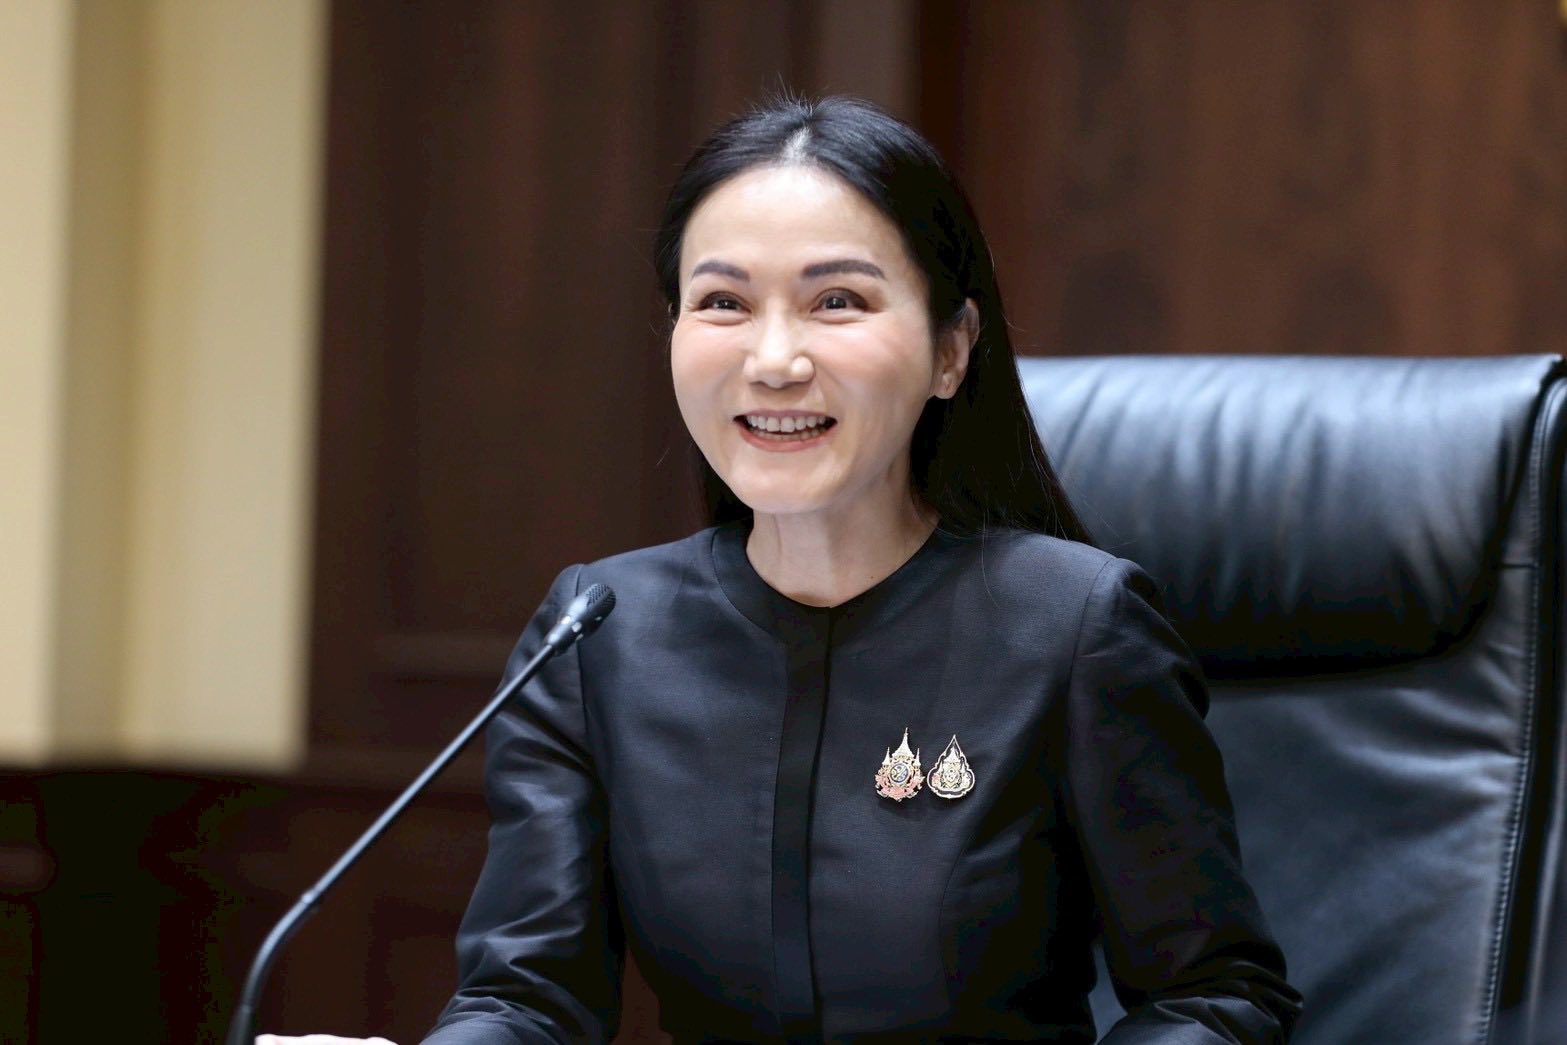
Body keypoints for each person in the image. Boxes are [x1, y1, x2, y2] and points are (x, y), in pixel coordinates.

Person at [263, 95, 1302, 1045]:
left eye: (836, 301)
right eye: (721, 302)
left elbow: (1213, 996)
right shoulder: (598, 633)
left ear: (951, 351)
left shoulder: (1072, 626)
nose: (772, 360)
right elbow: (524, 999)